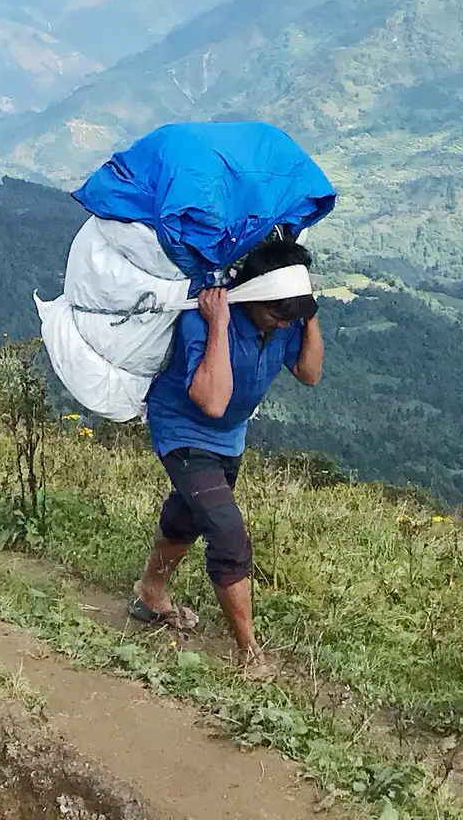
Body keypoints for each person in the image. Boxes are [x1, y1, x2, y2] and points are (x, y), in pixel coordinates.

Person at [128, 236, 323, 671]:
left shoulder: (283, 324)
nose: (282, 323)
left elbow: (310, 374)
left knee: (189, 514)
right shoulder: (204, 322)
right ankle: (249, 654)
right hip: (184, 431)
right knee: (227, 534)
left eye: (290, 315)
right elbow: (211, 401)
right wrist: (217, 322)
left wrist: (306, 314)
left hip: (229, 437)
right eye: (277, 312)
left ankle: (150, 594)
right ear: (250, 296)